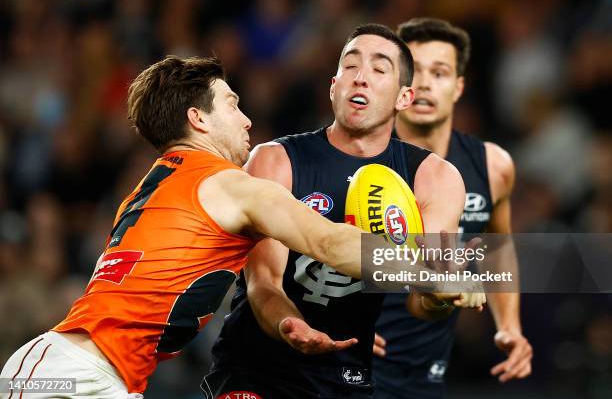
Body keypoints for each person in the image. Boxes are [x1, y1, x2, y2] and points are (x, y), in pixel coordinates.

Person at [1, 55, 412, 398]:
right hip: (73, 378)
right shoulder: (228, 185)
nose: (248, 120)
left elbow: (269, 280)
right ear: (197, 119)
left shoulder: (154, 187)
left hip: (74, 375)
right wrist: (450, 267)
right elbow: (331, 241)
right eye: (233, 105)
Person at [204, 24, 484, 399]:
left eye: (379, 69)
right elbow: (263, 281)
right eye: (351, 66)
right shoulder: (276, 160)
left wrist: (441, 295)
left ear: (405, 97)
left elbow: (423, 296)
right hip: (256, 368)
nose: (362, 77)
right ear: (334, 85)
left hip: (346, 376)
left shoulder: (434, 179)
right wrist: (290, 323)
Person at [372, 18, 533, 399]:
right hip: (348, 365)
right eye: (414, 71)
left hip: (427, 373)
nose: (425, 83)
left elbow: (497, 246)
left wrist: (508, 325)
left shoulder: (492, 166)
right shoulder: (356, 163)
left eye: (440, 72)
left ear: (458, 87)